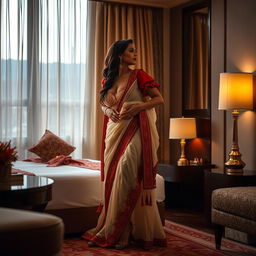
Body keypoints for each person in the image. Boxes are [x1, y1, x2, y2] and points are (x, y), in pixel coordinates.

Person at [82, 39, 167, 249]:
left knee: (127, 170)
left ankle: (123, 229)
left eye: (135, 50)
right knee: (114, 178)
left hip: (137, 129)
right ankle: (119, 227)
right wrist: (108, 110)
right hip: (114, 132)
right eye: (131, 50)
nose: (135, 53)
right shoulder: (108, 80)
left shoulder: (139, 75)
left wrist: (139, 107)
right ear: (120, 54)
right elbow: (104, 104)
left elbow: (159, 100)